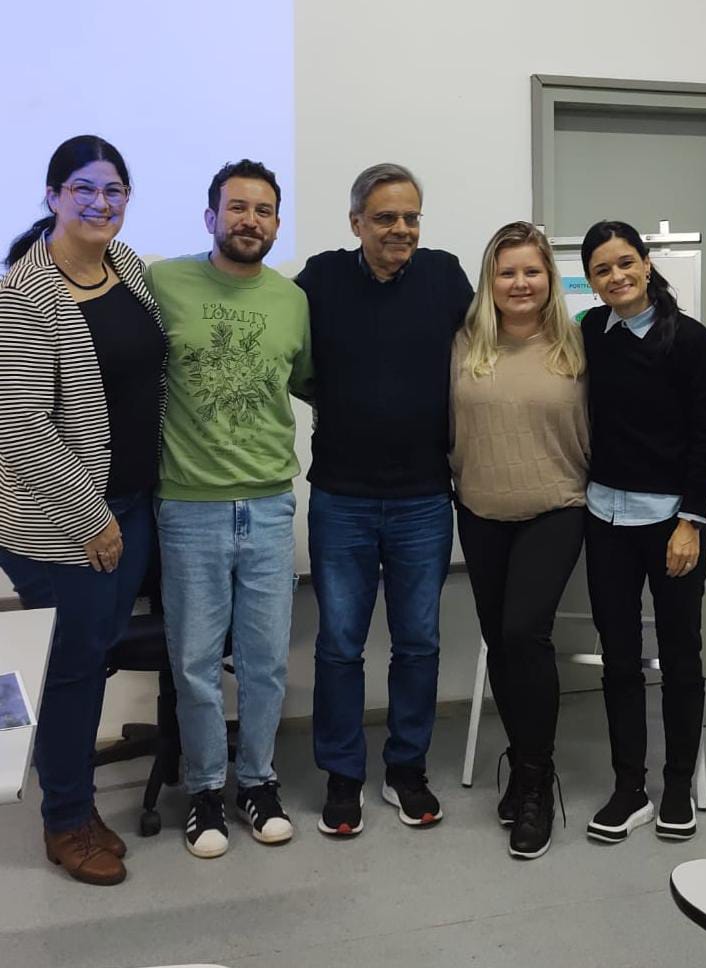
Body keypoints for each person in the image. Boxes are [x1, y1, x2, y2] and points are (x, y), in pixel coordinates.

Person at [0, 135, 167, 885]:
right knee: (73, 666)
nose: (101, 203)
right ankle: (65, 821)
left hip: (130, 500)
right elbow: (20, 426)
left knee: (90, 654)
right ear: (52, 196)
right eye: (84, 189)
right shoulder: (24, 294)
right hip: (60, 519)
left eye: (114, 190)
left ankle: (77, 806)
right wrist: (91, 518)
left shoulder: (123, 265)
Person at [296, 163, 473, 836]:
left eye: (410, 217)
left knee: (418, 643)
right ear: (355, 223)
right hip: (341, 497)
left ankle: (406, 769)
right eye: (385, 217)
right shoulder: (320, 278)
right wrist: (339, 400)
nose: (401, 229)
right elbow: (286, 356)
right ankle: (343, 775)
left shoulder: (444, 275)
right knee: (340, 645)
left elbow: (483, 353)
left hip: (423, 498)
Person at [146, 160, 314, 859]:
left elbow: (307, 383)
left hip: (270, 504)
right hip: (190, 506)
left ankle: (258, 783)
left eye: (264, 210)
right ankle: (205, 792)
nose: (250, 220)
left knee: (265, 662)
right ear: (211, 216)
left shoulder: (292, 300)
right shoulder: (161, 283)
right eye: (237, 207)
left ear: (276, 223)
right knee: (193, 665)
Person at [579, 220, 706, 844]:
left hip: (671, 525)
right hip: (604, 520)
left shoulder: (693, 343)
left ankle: (677, 788)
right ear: (590, 280)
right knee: (618, 660)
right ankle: (629, 788)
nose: (616, 276)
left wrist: (691, 520)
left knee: (681, 658)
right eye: (601, 270)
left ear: (646, 263)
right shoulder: (589, 333)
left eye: (625, 263)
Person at [450, 222, 588, 859]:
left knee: (523, 633)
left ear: (550, 279)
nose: (520, 283)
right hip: (480, 510)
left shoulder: (578, 346)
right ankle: (524, 759)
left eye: (532, 271)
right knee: (501, 644)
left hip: (555, 509)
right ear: (490, 281)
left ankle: (535, 780)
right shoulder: (463, 344)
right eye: (507, 272)